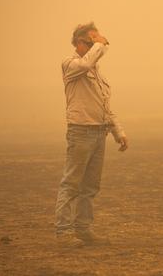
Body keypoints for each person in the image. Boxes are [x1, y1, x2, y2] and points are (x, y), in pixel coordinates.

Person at [54, 22, 129, 247]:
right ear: (79, 43)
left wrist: (118, 131)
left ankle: (83, 229)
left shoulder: (96, 73)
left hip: (99, 133)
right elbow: (86, 64)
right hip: (80, 132)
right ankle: (64, 232)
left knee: (90, 186)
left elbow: (104, 104)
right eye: (90, 42)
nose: (96, 47)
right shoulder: (71, 65)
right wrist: (100, 44)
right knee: (71, 183)